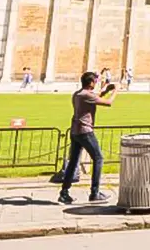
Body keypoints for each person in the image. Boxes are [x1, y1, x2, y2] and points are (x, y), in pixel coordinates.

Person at [58, 72, 116, 204]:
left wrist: (105, 90)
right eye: (95, 82)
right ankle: (95, 193)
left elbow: (96, 97)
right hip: (85, 132)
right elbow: (108, 103)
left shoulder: (78, 94)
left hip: (75, 131)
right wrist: (116, 91)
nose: (95, 83)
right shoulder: (86, 95)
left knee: (73, 162)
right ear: (90, 83)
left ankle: (64, 192)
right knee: (98, 158)